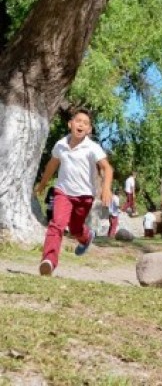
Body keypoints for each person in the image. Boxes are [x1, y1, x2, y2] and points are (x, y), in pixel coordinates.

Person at [34, 108, 113, 276]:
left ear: (89, 129)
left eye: (85, 123)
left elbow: (107, 168)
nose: (81, 125)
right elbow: (52, 166)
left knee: (76, 228)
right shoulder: (61, 145)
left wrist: (106, 188)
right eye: (78, 121)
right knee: (57, 224)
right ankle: (48, 261)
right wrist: (42, 184)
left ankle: (85, 236)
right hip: (63, 192)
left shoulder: (92, 148)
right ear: (70, 124)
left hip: (84, 196)